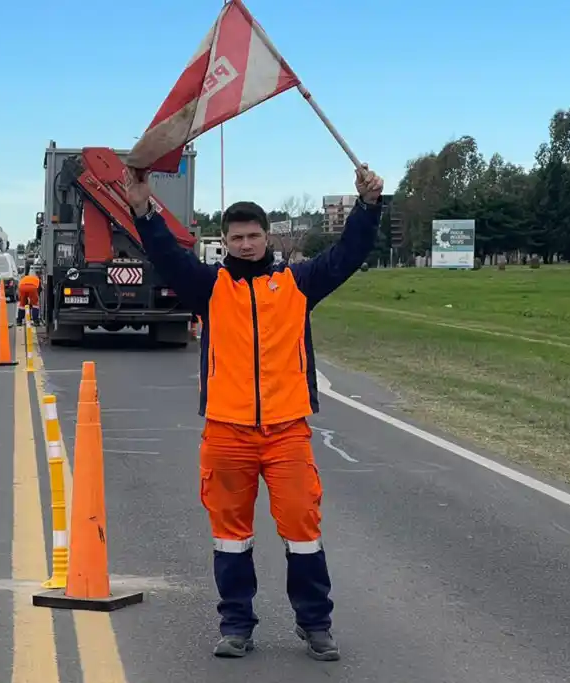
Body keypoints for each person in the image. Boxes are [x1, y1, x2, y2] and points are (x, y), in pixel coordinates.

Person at [126, 165, 383, 662]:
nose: (246, 244)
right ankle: (236, 624)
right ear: (224, 241)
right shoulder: (208, 287)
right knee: (230, 537)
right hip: (226, 432)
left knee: (303, 532)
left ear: (268, 238)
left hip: (287, 432)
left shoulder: (298, 283)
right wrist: (143, 208)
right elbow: (163, 253)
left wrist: (370, 207)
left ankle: (315, 625)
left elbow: (348, 255)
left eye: (254, 236)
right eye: (237, 237)